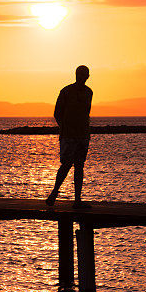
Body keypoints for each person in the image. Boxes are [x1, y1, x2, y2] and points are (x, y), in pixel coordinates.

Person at [46, 65, 92, 207]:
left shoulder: (89, 92)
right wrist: (65, 128)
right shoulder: (66, 91)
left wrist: (83, 129)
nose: (82, 77)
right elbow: (57, 113)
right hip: (69, 135)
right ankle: (54, 193)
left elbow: (86, 113)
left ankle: (77, 200)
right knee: (66, 165)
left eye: (85, 74)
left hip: (83, 135)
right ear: (76, 75)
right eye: (80, 74)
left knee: (79, 166)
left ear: (87, 76)